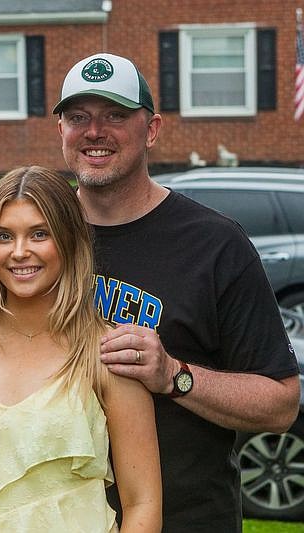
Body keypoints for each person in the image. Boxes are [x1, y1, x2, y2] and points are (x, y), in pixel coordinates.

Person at [53, 52, 299, 531]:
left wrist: (174, 375)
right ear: (60, 129)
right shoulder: (33, 238)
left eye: (116, 116)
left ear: (153, 129)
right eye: (77, 117)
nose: (94, 132)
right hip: (55, 516)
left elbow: (281, 403)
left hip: (185, 518)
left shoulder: (214, 244)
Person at [0, 166, 162, 531]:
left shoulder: (106, 350)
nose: (19, 252)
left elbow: (143, 502)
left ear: (69, 242)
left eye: (39, 234)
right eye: (4, 236)